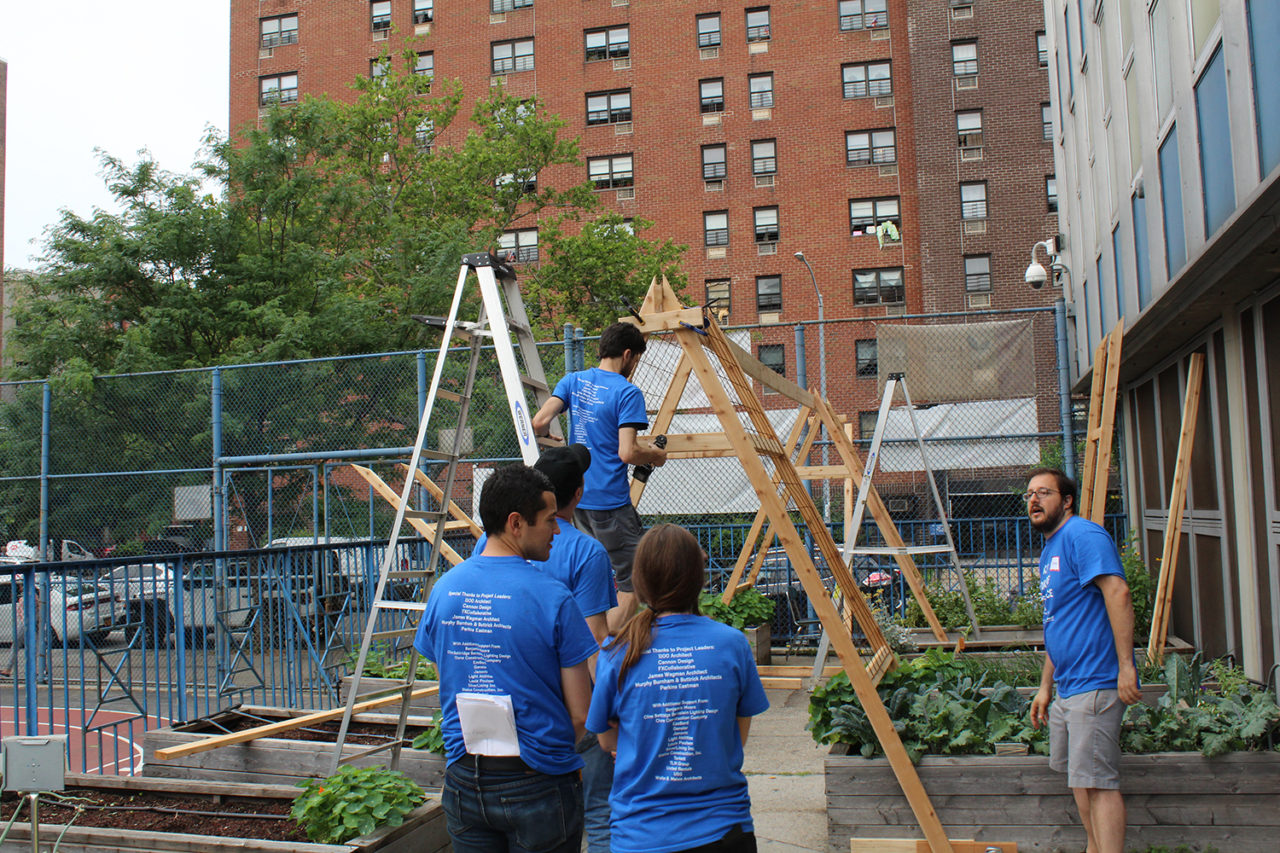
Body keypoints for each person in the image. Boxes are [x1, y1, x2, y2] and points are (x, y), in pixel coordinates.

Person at [414, 464, 598, 853]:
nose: (557, 530)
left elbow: (445, 674)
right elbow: (581, 714)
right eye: (549, 520)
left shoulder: (444, 590)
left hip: (464, 777)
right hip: (539, 779)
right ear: (517, 523)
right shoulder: (554, 598)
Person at [586, 524, 770, 853]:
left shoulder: (616, 653)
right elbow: (736, 737)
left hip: (641, 835)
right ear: (698, 579)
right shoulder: (731, 645)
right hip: (724, 831)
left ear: (639, 582)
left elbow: (606, 739)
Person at [473, 444, 619, 853]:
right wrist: (601, 717)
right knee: (599, 814)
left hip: (491, 733)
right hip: (564, 719)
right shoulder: (586, 553)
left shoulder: (477, 556)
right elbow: (594, 639)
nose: (553, 531)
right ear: (578, 494)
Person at [1025, 467, 1141, 853]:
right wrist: (1045, 686)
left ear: (1067, 500)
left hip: (1096, 681)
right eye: (1029, 495)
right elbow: (1058, 622)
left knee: (1098, 783)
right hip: (1068, 687)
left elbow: (1118, 592)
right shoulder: (1049, 550)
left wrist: (1126, 666)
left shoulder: (1082, 535)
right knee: (1080, 780)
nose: (1034, 500)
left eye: (1044, 492)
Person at [532, 321, 668, 633]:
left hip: (576, 499)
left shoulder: (573, 380)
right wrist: (656, 456)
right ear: (628, 354)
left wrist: (560, 446)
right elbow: (626, 453)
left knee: (594, 574)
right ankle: (598, 654)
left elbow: (540, 422)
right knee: (635, 582)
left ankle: (582, 643)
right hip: (610, 502)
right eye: (636, 360)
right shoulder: (627, 392)